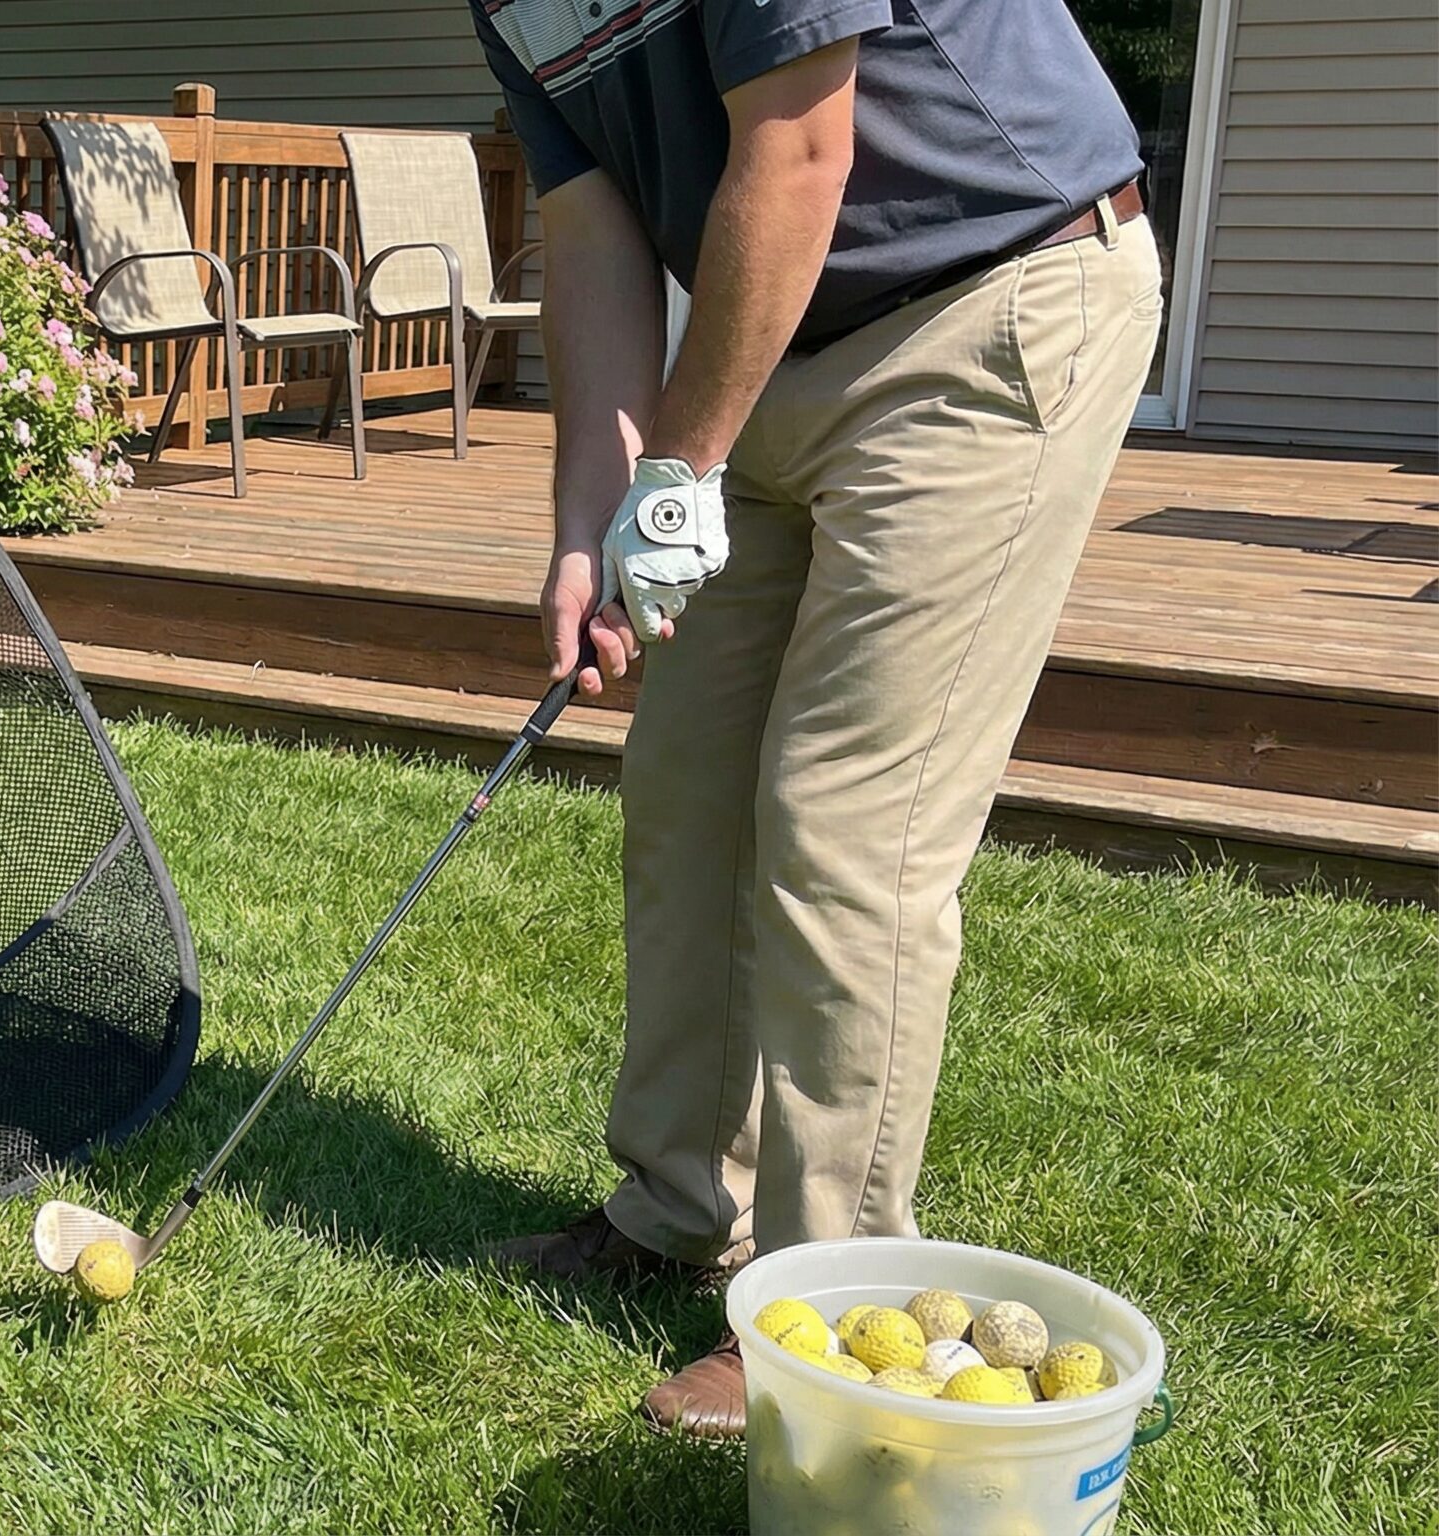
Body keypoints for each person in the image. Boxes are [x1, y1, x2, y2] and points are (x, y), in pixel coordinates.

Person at [465, 0, 1162, 1437]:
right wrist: (593, 517)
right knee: (689, 792)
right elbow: (594, 224)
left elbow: (797, 148)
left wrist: (682, 469)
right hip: (769, 327)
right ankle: (673, 1209)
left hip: (992, 297)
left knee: (849, 826)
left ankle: (825, 1299)